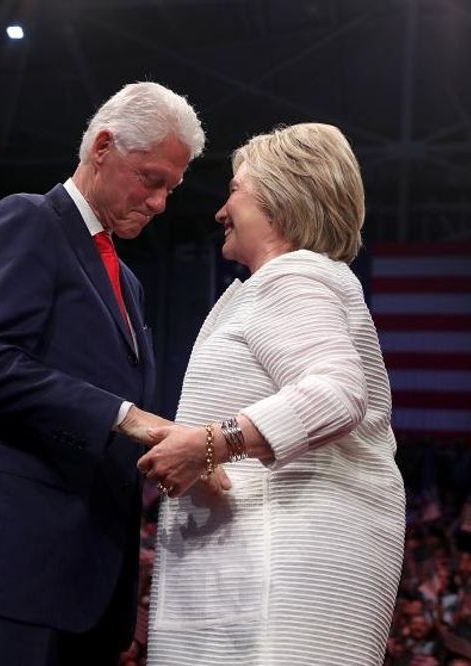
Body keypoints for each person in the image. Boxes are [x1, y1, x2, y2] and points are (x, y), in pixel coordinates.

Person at [0, 81, 206, 666]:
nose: (159, 204)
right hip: (8, 568)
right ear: (102, 147)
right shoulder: (27, 220)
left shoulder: (128, 283)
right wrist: (126, 418)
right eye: (151, 179)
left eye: (171, 189)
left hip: (89, 586)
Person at [138, 123, 406, 664]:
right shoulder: (298, 281)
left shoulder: (293, 278)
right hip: (268, 578)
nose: (219, 211)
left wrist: (208, 444)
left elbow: (335, 394)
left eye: (235, 189)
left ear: (281, 201)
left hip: (275, 591)